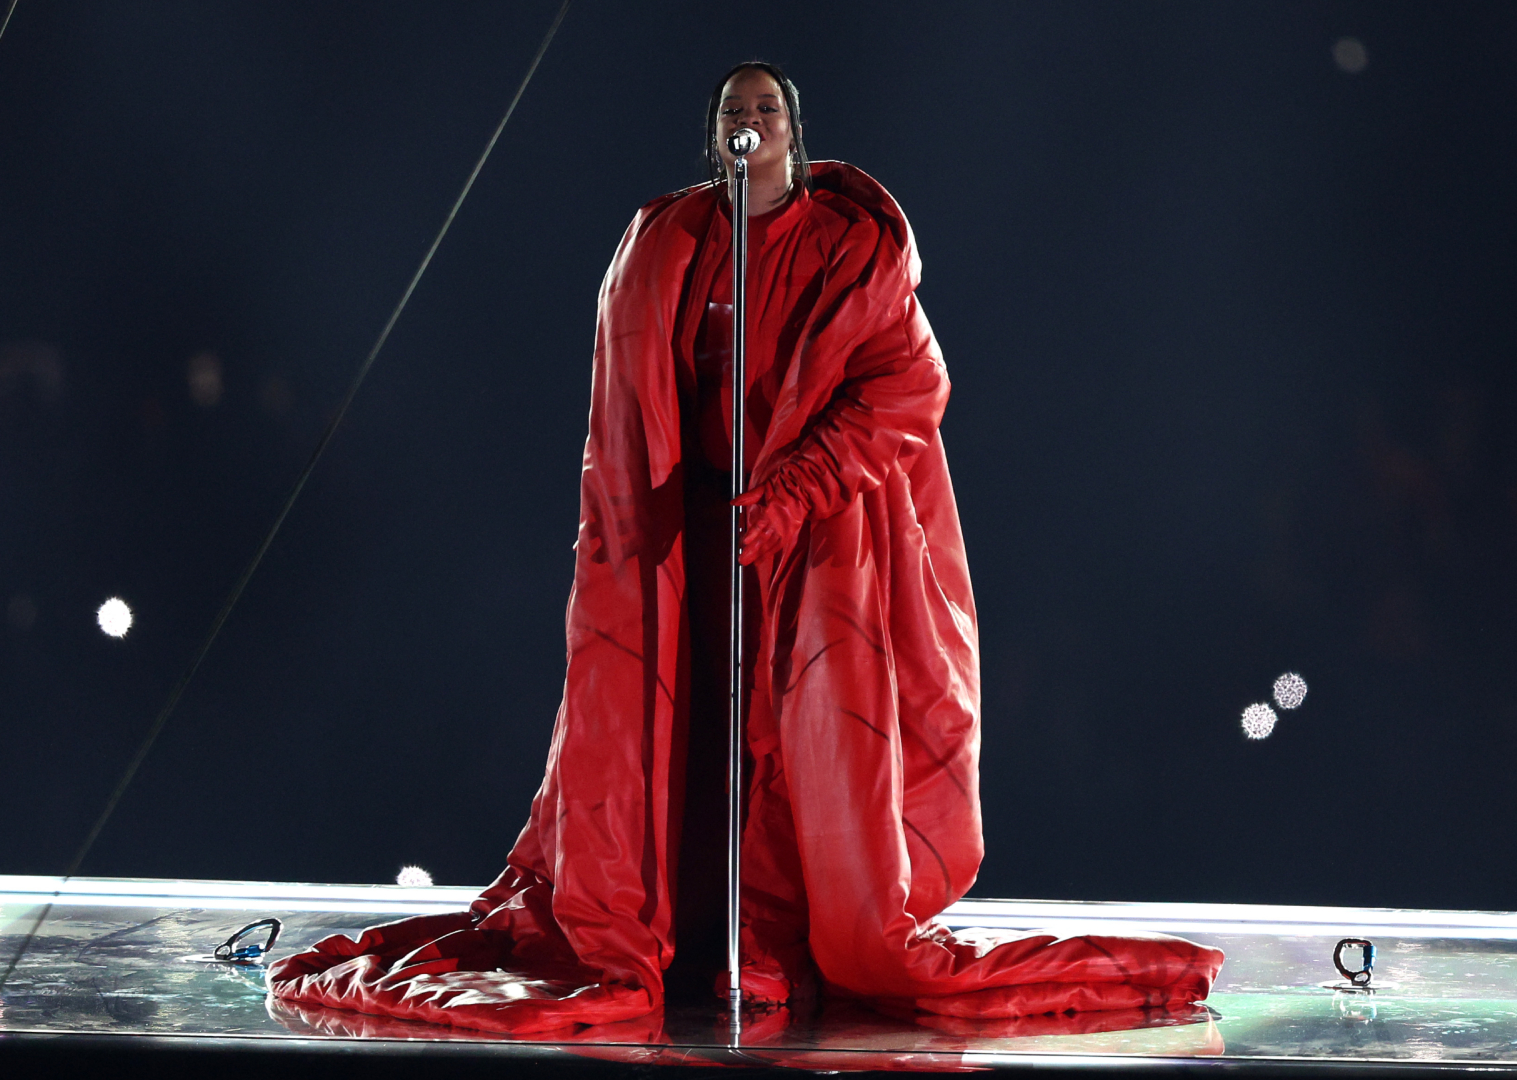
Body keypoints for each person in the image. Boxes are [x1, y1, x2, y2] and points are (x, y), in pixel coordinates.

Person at [269, 61, 1223, 1035]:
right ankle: (686, 933)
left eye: (767, 109)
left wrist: (794, 490)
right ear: (717, 130)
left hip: (806, 542)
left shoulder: (851, 252)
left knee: (791, 740)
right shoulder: (667, 243)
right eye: (736, 110)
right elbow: (632, 400)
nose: (751, 122)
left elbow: (908, 387)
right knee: (689, 741)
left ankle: (777, 945)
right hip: (695, 542)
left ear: (793, 131)